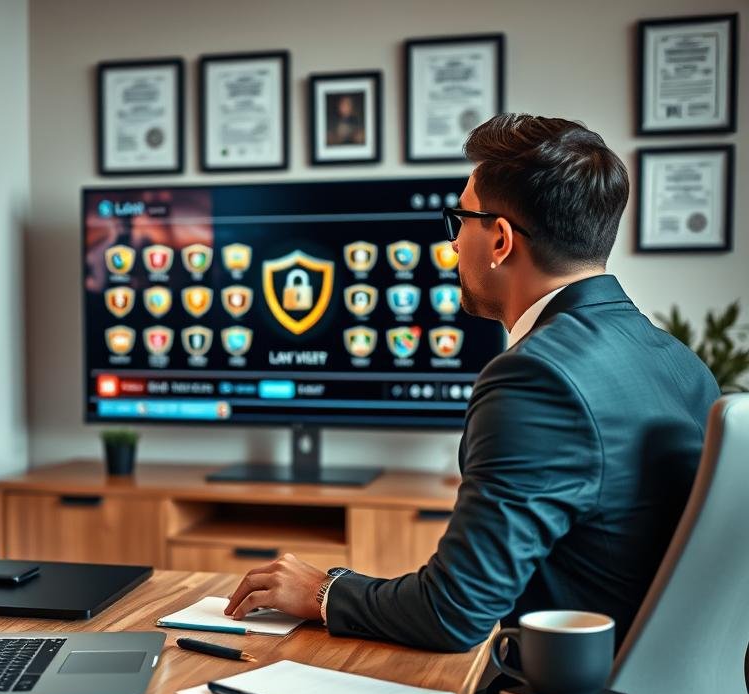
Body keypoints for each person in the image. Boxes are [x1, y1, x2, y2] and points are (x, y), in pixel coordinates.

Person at [224, 113, 720, 657]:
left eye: (460, 220)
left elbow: (453, 612)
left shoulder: (536, 377)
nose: (455, 246)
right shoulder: (677, 360)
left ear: (500, 240)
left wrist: (322, 590)